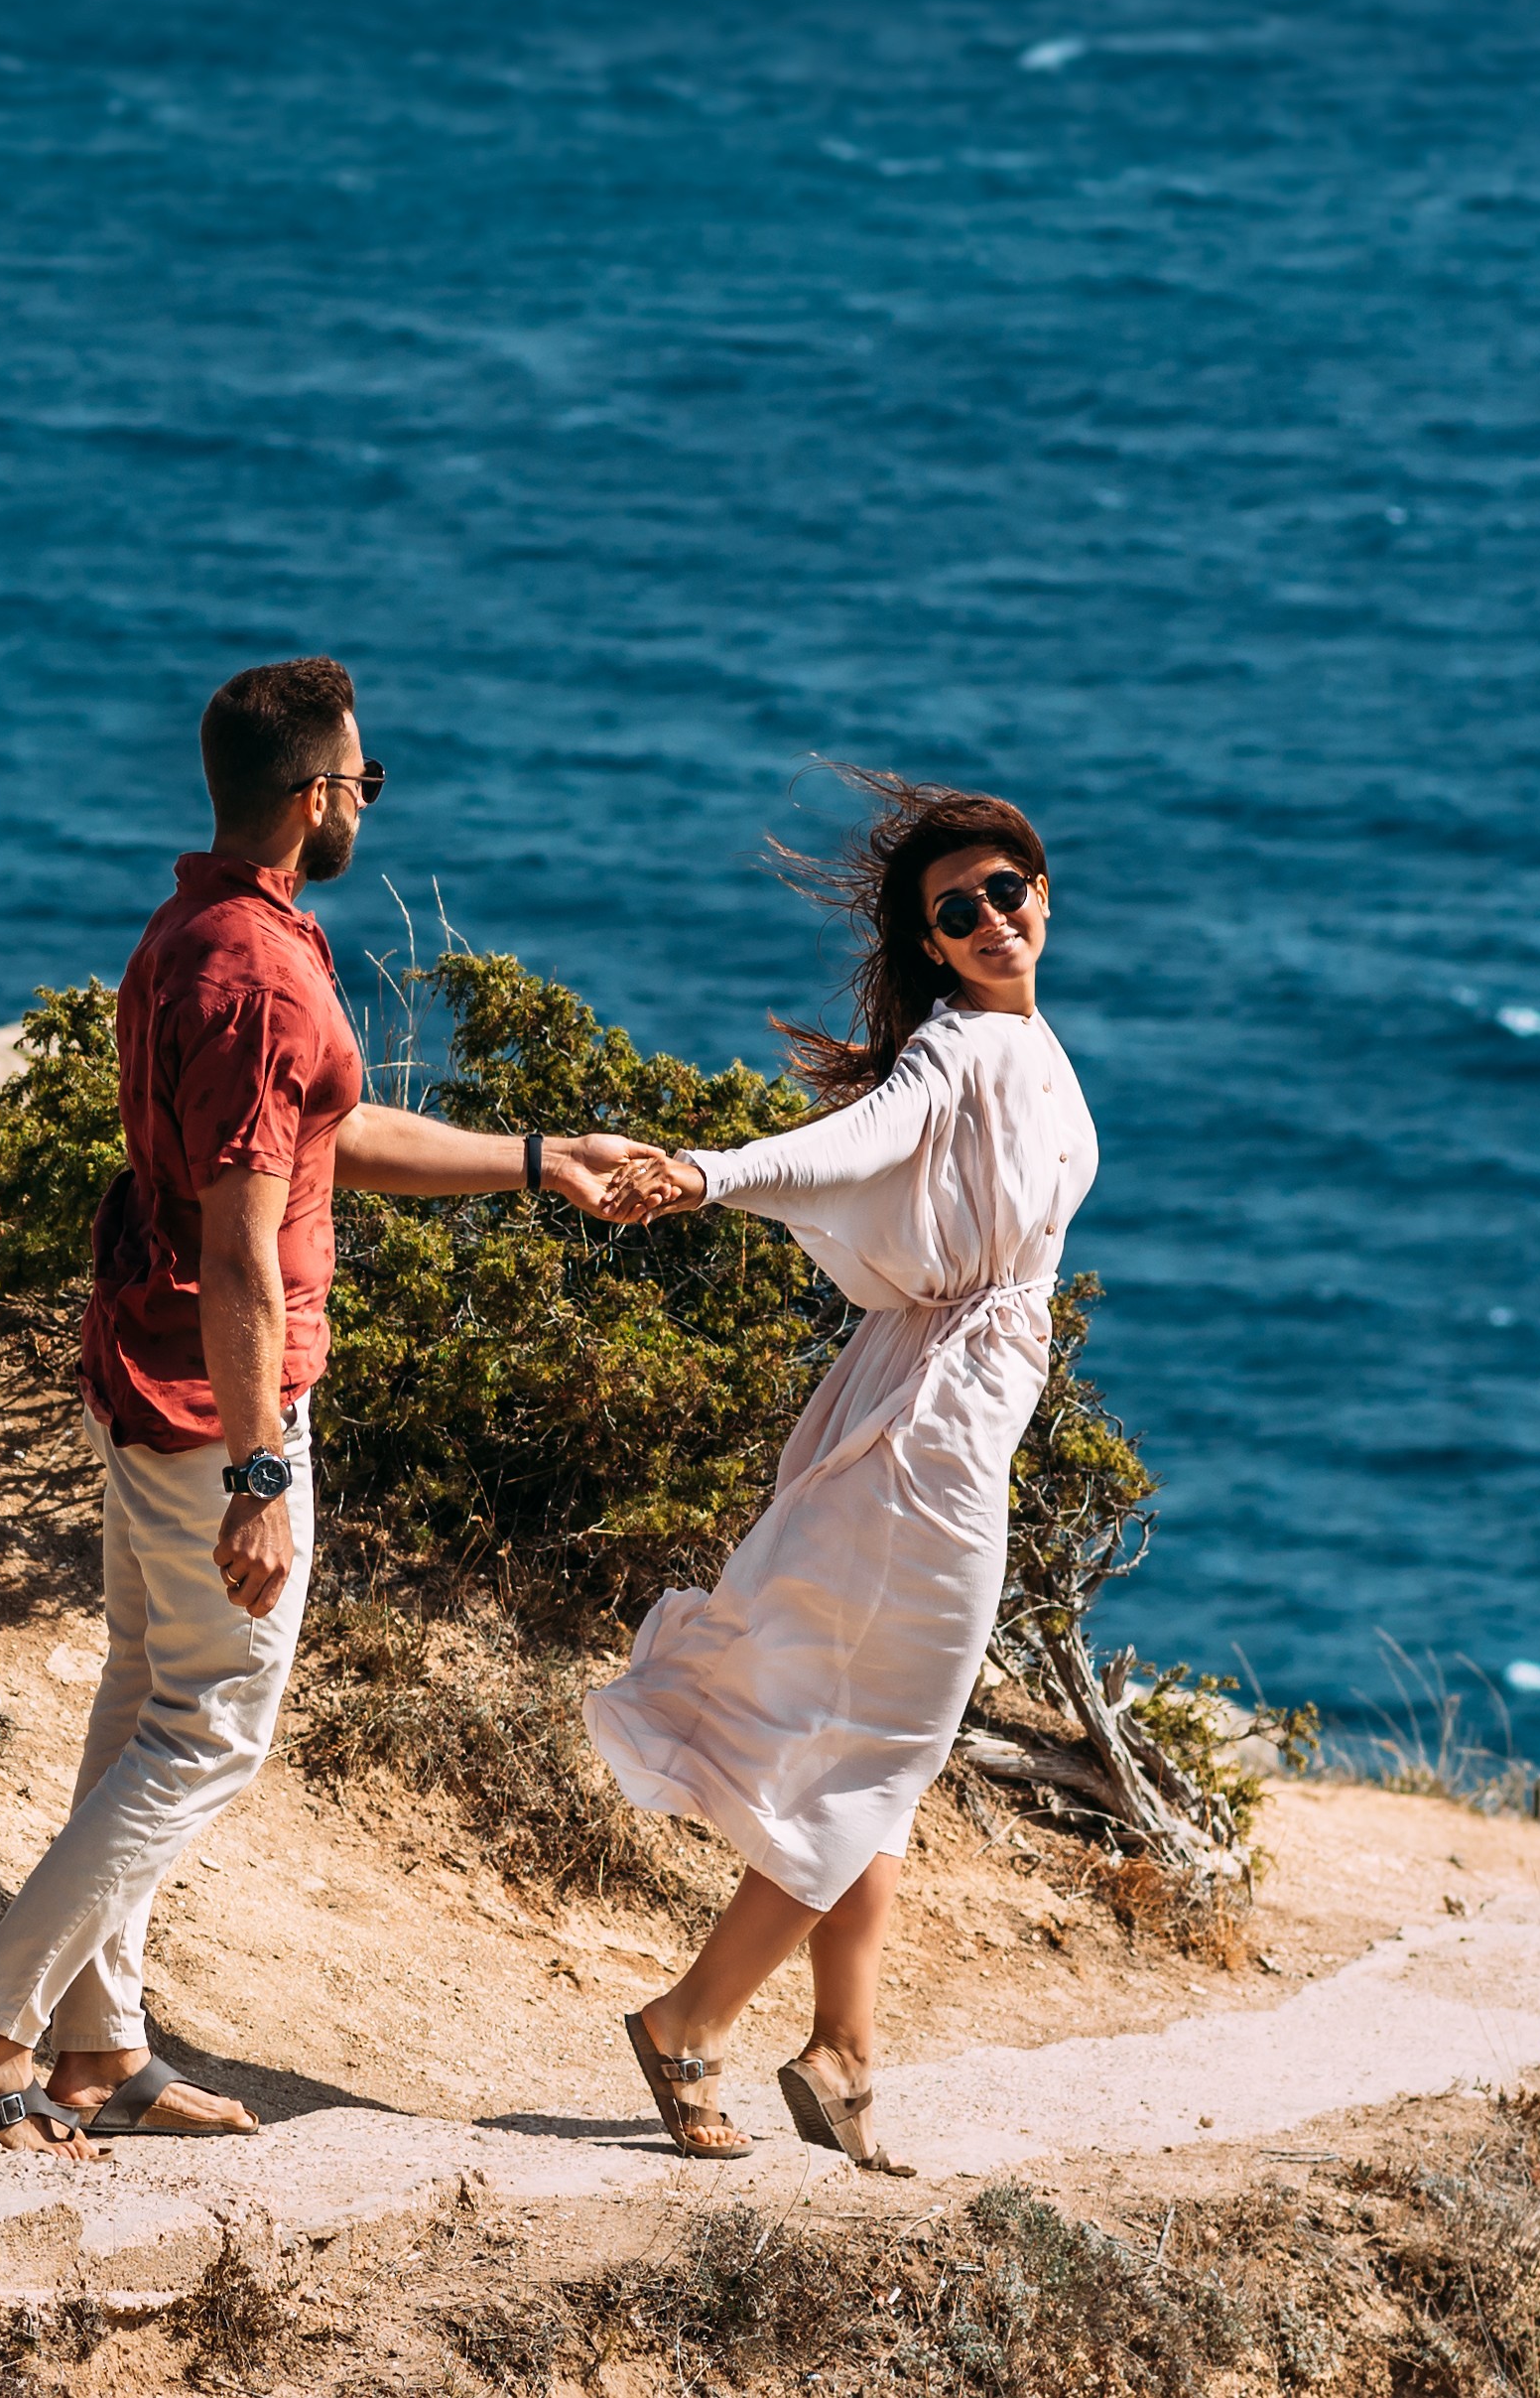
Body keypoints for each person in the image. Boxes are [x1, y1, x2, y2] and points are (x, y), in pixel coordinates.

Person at [0, 655, 645, 2156]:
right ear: (317, 797)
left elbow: (327, 1132)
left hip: (147, 1371)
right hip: (208, 1404)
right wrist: (256, 1469)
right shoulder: (255, 977)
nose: (369, 798)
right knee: (212, 1732)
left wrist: (533, 1154)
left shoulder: (207, 930)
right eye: (364, 779)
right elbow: (244, 1242)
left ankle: (101, 2045)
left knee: (140, 1705)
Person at [582, 775, 1093, 2176]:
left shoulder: (1023, 1039)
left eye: (1011, 889)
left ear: (1044, 893)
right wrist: (709, 1172)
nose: (994, 915)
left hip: (946, 1408)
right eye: (960, 907)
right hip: (927, 1438)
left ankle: (844, 2049)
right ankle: (692, 2019)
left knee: (891, 1745)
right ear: (930, 939)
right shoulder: (958, 1048)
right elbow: (853, 1143)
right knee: (891, 1737)